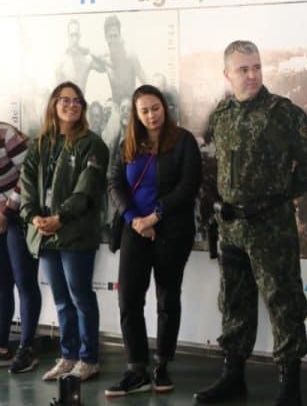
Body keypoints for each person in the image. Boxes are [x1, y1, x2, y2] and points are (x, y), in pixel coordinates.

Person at [194, 40, 307, 405]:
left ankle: (289, 388)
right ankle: (233, 377)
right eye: (243, 69)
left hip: (271, 226)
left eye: (257, 67)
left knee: (284, 302)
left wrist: (275, 199)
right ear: (227, 74)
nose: (252, 75)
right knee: (233, 302)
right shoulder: (222, 114)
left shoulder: (284, 113)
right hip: (231, 227)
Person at [104, 85, 201, 397]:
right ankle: (136, 368)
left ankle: (162, 365)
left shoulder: (183, 141)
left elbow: (189, 185)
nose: (151, 115)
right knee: (129, 299)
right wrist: (135, 219)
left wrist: (154, 217)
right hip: (135, 230)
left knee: (167, 298)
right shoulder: (128, 142)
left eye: (155, 108)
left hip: (172, 231)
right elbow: (114, 183)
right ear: (136, 113)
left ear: (165, 107)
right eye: (144, 110)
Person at [19, 81, 109, 383]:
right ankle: (68, 355)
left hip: (76, 235)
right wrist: (34, 218)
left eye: (77, 101)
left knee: (80, 296)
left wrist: (60, 217)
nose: (72, 105)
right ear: (53, 105)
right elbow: (27, 184)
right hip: (45, 235)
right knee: (60, 299)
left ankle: (88, 359)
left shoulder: (92, 143)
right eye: (65, 100)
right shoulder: (40, 143)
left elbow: (86, 191)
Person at [0, 122, 42, 374]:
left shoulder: (6, 135)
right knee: (1, 283)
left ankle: (27, 348)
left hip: (21, 214)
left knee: (24, 280)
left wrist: (7, 210)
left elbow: (30, 173)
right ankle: (2, 345)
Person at [93, 15, 147, 104]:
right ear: (106, 37)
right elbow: (90, 54)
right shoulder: (105, 58)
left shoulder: (130, 56)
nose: (114, 40)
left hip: (130, 106)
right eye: (111, 36)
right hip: (116, 107)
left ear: (120, 35)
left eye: (116, 36)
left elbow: (145, 81)